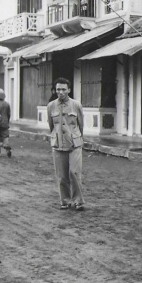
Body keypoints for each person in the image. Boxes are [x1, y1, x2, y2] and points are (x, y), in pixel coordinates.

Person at [47, 77, 86, 210]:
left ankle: (78, 201)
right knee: (61, 175)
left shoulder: (76, 105)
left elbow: (81, 125)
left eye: (64, 89)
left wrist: (79, 140)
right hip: (58, 144)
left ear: (69, 90)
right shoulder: (51, 106)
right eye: (58, 89)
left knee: (74, 172)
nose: (61, 92)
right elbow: (51, 125)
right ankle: (65, 200)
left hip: (74, 143)